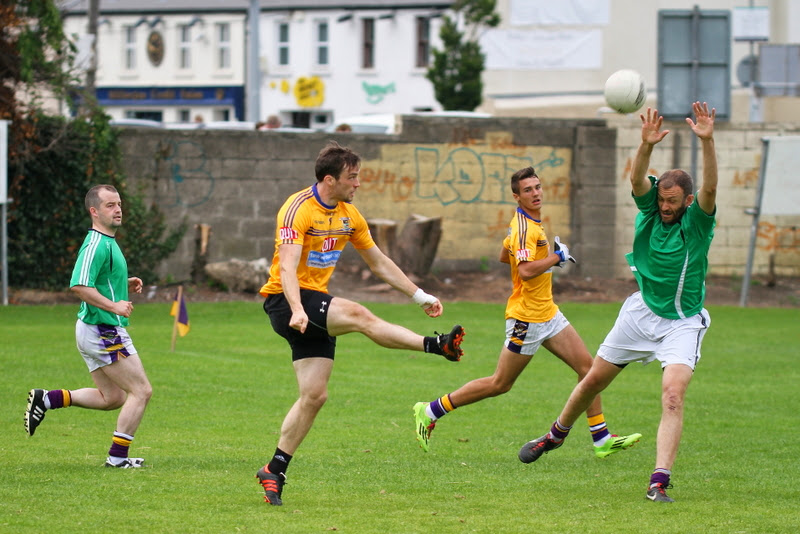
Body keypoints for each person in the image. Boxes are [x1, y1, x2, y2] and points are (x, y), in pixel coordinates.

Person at [517, 102, 718, 504]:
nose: (664, 206)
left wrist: (707, 141)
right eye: (662, 199)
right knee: (592, 379)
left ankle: (659, 480)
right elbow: (638, 181)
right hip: (640, 313)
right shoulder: (649, 208)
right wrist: (645, 146)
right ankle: (555, 435)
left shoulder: (697, 223)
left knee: (673, 395)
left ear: (688, 200)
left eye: (673, 201)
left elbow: (711, 189)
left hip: (682, 323)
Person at [256, 141, 465, 506]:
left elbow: (379, 263)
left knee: (314, 396)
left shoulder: (350, 215)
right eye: (352, 178)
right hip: (286, 300)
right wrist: (297, 309)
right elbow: (287, 266)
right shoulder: (296, 210)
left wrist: (420, 296)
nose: (357, 184)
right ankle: (436, 346)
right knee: (358, 314)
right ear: (329, 179)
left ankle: (274, 469)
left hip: (310, 306)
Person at [413, 167, 641, 458]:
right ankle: (430, 410)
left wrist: (544, 254)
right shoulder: (524, 228)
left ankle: (601, 438)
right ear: (516, 196)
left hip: (548, 312)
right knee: (500, 383)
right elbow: (524, 270)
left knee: (589, 370)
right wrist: (557, 257)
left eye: (537, 187)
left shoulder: (527, 224)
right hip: (526, 319)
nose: (536, 193)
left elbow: (503, 255)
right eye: (528, 190)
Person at [24, 184, 153, 469]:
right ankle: (117, 458)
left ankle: (47, 399)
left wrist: (123, 284)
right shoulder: (96, 243)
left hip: (93, 329)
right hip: (103, 329)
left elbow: (97, 280)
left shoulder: (108, 241)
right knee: (141, 391)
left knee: (112, 398)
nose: (118, 209)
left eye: (119, 204)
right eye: (110, 205)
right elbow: (79, 285)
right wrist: (114, 306)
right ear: (94, 211)